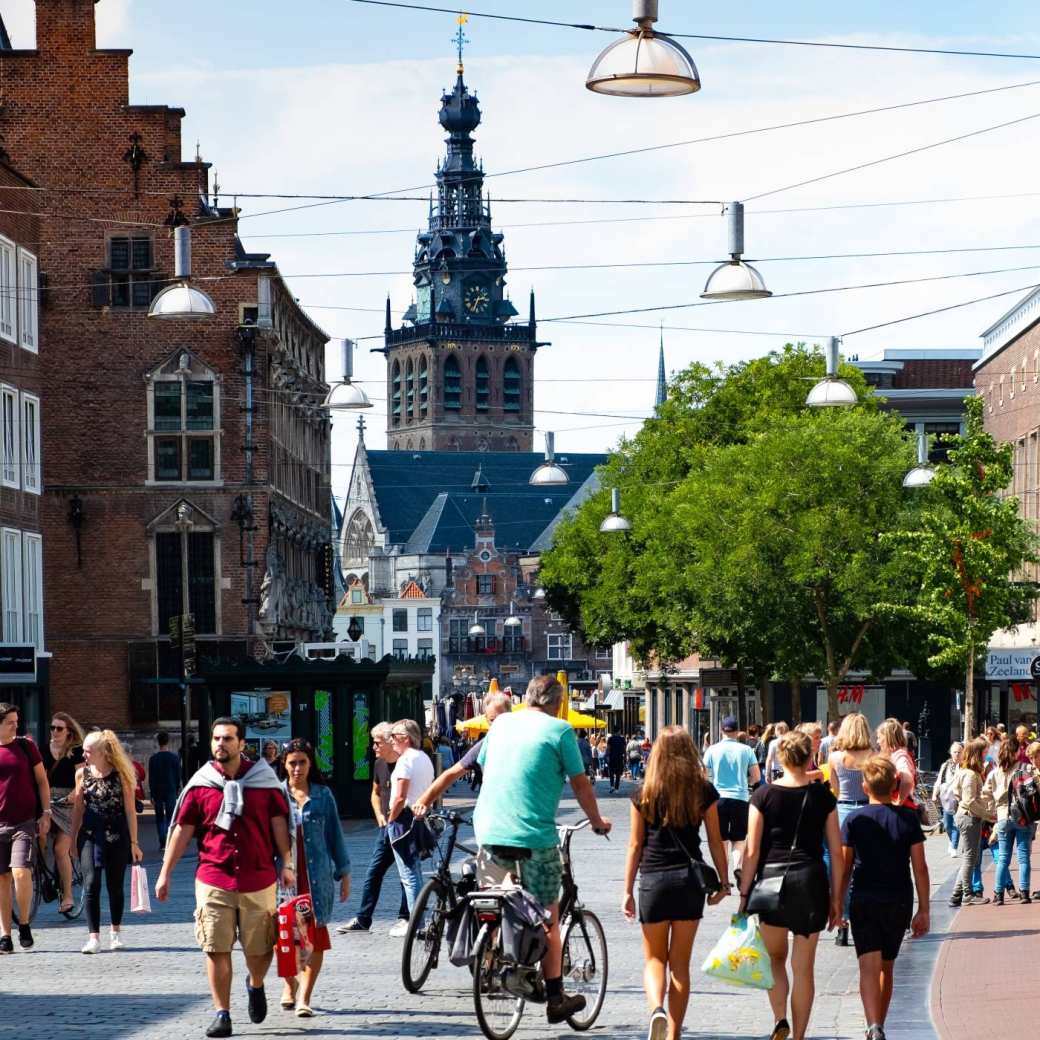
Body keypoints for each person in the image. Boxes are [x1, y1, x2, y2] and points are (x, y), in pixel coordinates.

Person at [474, 674, 612, 1025]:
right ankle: (555, 998)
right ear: (556, 702)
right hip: (533, 837)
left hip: (488, 831)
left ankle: (492, 960)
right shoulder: (560, 731)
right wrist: (596, 820)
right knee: (549, 915)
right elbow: (580, 783)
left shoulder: (502, 723)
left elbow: (489, 768)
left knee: (498, 899)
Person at [156, 718, 293, 1040]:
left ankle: (255, 983)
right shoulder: (201, 784)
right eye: (217, 738)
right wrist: (165, 872)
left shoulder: (264, 781)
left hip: (258, 878)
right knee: (215, 947)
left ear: (241, 743)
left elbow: (279, 828)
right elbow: (182, 830)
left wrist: (287, 863)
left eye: (228, 738)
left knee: (259, 951)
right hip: (213, 877)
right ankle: (223, 1013)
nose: (221, 744)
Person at [623, 726, 730, 1040]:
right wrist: (723, 883)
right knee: (680, 965)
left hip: (653, 881)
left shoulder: (643, 792)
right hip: (688, 882)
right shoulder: (703, 791)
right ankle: (673, 1034)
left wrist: (627, 890)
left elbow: (634, 845)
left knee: (654, 959)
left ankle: (656, 1007)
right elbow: (714, 840)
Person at [739, 731, 842, 1040]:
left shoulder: (762, 796)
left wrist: (744, 894)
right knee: (804, 969)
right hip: (810, 883)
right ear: (809, 758)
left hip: (772, 883)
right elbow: (836, 850)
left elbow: (752, 850)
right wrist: (836, 897)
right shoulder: (823, 797)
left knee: (775, 959)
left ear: (781, 758)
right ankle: (798, 1037)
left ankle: (780, 1017)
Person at [838, 756, 930, 1040]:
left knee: (868, 965)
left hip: (864, 898)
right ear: (894, 785)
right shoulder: (907, 818)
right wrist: (924, 909)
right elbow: (920, 866)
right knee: (886, 966)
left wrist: (837, 903)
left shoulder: (855, 820)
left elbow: (845, 867)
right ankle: (881, 1023)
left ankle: (872, 1024)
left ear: (864, 787)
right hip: (898, 900)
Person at [278, 739, 350, 1017]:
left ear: (310, 764)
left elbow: (335, 836)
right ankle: (289, 984)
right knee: (283, 937)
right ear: (284, 765)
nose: (297, 768)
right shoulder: (275, 795)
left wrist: (344, 873)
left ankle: (304, 997)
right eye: (292, 763)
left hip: (315, 877)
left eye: (302, 762)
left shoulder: (322, 795)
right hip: (283, 878)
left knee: (314, 937)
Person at [69, 730, 143, 953]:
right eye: (84, 750)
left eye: (88, 751)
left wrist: (134, 842)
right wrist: (72, 839)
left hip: (117, 834)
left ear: (103, 752)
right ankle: (94, 937)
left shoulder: (121, 774)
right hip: (91, 833)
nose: (84, 754)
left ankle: (115, 932)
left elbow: (130, 810)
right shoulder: (82, 774)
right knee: (91, 883)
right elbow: (78, 807)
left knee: (114, 885)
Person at [337, 723, 409, 934]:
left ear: (389, 741)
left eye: (377, 743)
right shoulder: (379, 764)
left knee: (406, 874)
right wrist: (379, 815)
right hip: (385, 829)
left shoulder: (405, 764)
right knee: (373, 872)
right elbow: (375, 792)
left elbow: (405, 797)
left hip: (404, 827)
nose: (374, 747)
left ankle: (405, 917)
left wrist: (394, 817)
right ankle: (363, 918)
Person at [0, 703, 51, 952]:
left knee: (20, 872)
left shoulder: (26, 746)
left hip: (24, 822)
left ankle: (24, 923)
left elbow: (42, 781)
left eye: (17, 721)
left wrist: (46, 813)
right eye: (10, 721)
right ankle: (5, 935)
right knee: (1, 879)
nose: (16, 725)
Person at [412, 691, 512, 817]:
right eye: (492, 720)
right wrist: (423, 801)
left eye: (501, 718)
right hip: (495, 818)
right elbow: (451, 774)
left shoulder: (526, 740)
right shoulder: (487, 744)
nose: (497, 723)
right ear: (486, 720)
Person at [826, 712, 874, 947]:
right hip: (867, 811)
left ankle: (842, 922)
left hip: (843, 811)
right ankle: (863, 918)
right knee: (864, 869)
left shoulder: (835, 757)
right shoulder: (873, 757)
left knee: (842, 870)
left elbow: (834, 789)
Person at [385, 719, 435, 934]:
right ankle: (419, 920)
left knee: (409, 874)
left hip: (404, 818)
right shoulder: (424, 758)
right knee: (415, 871)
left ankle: (416, 923)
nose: (391, 741)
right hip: (419, 817)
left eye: (394, 737)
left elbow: (400, 796)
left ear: (405, 738)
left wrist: (390, 819)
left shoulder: (405, 761)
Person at [703, 716, 760, 892]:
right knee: (739, 838)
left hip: (718, 799)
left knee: (721, 840)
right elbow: (756, 776)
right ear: (737, 731)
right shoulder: (746, 750)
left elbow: (703, 775)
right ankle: (738, 866)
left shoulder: (712, 750)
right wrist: (747, 782)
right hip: (741, 798)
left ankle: (724, 878)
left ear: (721, 730)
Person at [41, 712, 85, 915]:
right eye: (52, 728)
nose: (54, 732)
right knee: (37, 834)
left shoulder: (76, 751)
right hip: (47, 800)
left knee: (60, 849)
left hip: (68, 803)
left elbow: (82, 780)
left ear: (69, 732)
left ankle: (67, 896)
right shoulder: (42, 750)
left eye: (59, 728)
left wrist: (74, 796)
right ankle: (40, 871)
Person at [983, 736, 1032, 905]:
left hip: (1003, 816)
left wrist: (992, 812)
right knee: (1024, 857)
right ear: (1016, 751)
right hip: (1022, 817)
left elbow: (985, 794)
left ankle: (998, 894)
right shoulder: (1024, 769)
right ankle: (1024, 892)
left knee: (1003, 857)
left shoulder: (995, 773)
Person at [948, 738, 995, 908]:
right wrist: (989, 815)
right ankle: (967, 894)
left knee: (970, 857)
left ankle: (956, 894)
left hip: (967, 816)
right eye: (984, 752)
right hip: (969, 817)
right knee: (970, 857)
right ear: (977, 754)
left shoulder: (966, 771)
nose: (987, 755)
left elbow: (957, 793)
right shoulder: (969, 774)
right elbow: (970, 801)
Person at [148, 730, 182, 850]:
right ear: (168, 741)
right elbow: (178, 776)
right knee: (170, 816)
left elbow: (151, 778)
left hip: (157, 791)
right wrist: (177, 789)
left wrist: (151, 793)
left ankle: (162, 841)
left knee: (159, 817)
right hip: (171, 789)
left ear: (158, 742)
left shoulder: (153, 759)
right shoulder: (174, 758)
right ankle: (169, 840)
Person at [933, 742, 963, 858]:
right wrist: (934, 794)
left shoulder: (964, 766)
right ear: (951, 753)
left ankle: (954, 846)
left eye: (959, 752)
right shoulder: (945, 766)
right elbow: (939, 781)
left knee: (956, 824)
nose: (957, 754)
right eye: (954, 752)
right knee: (947, 825)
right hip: (946, 800)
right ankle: (951, 841)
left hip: (958, 800)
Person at [877, 719, 916, 807]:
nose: (877, 741)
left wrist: (899, 802)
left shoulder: (900, 757)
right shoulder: (893, 756)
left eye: (879, 737)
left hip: (900, 812)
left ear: (888, 738)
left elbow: (907, 780)